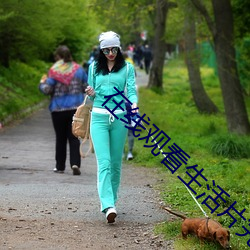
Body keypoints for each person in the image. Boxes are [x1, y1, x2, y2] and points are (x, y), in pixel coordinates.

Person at [85, 31, 138, 223]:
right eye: (106, 50)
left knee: (116, 164)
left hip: (119, 119)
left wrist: (133, 106)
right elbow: (91, 97)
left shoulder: (127, 68)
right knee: (104, 163)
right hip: (98, 118)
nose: (110, 53)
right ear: (101, 50)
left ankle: (112, 201)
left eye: (114, 49)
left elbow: (131, 91)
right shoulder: (93, 68)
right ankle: (107, 205)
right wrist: (90, 92)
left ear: (119, 48)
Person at [39, 45, 88, 175]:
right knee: (74, 137)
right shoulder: (79, 70)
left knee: (60, 138)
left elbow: (47, 90)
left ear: (58, 57)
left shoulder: (54, 71)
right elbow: (86, 87)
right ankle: (75, 163)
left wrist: (42, 83)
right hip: (75, 109)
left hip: (58, 109)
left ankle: (60, 166)